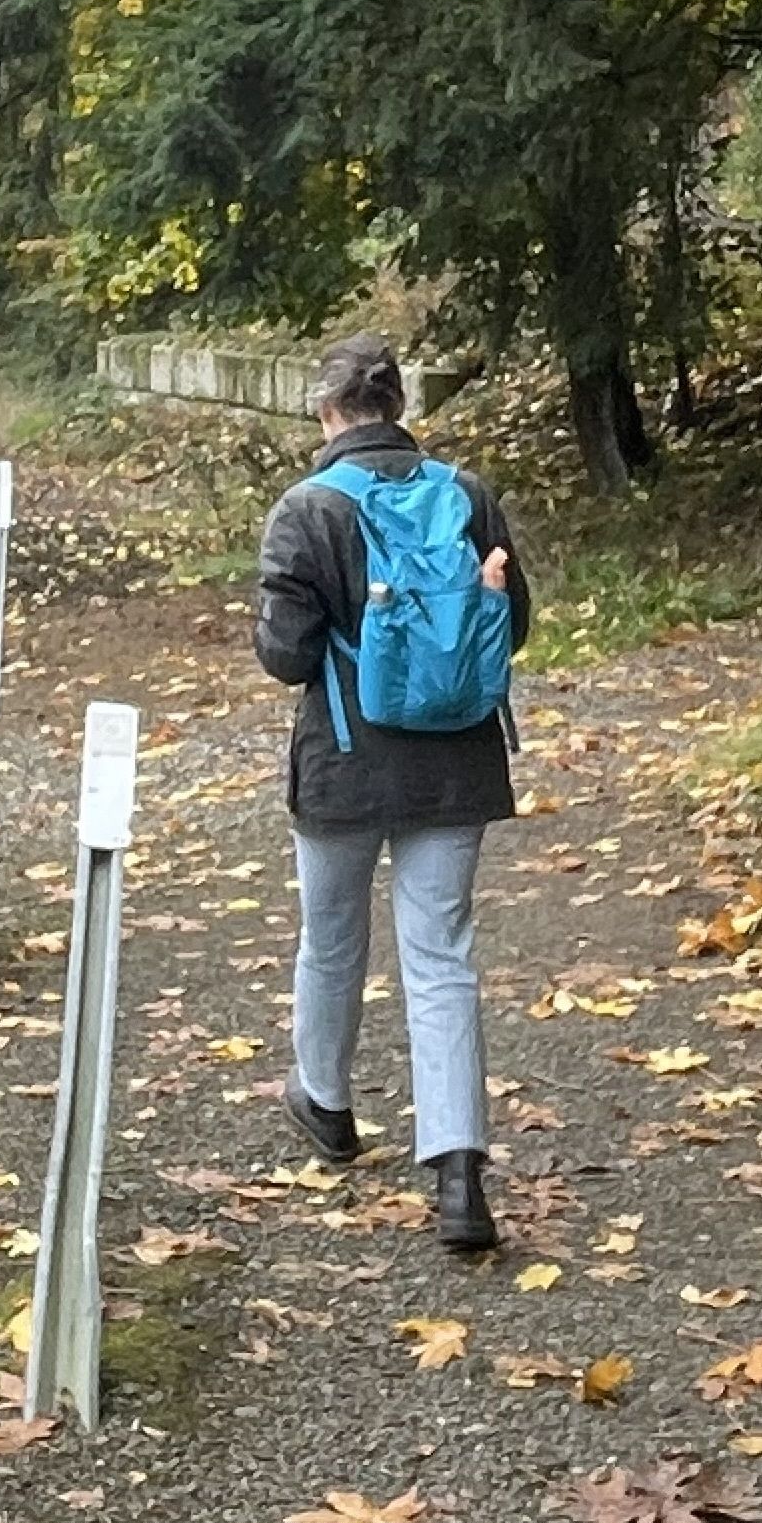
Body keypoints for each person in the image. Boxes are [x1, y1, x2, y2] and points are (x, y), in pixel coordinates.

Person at [251, 334, 533, 1252]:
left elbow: (284, 654)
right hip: (456, 762)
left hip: (340, 761)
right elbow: (513, 624)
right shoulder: (465, 493)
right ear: (399, 403)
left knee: (331, 941)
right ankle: (458, 1178)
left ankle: (325, 1103)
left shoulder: (305, 509)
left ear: (327, 410)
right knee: (441, 955)